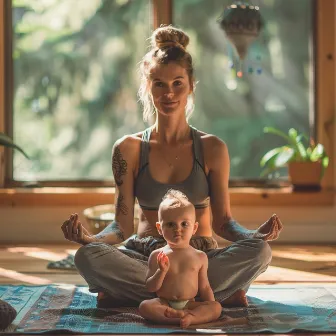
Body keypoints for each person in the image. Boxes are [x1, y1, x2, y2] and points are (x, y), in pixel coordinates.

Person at [61, 25, 283, 309]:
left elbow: (223, 222)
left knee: (260, 252)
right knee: (87, 256)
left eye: (177, 83)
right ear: (147, 85)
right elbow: (122, 225)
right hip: (145, 258)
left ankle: (141, 295)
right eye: (159, 84)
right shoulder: (128, 149)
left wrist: (253, 236)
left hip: (198, 258)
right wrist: (90, 239)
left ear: (191, 85)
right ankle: (207, 295)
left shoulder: (213, 148)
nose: (169, 93)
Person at [138, 189, 222, 329]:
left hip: (190, 304)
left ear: (194, 228)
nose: (178, 229)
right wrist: (161, 271)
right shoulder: (157, 255)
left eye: (184, 224)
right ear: (160, 228)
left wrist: (210, 306)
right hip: (164, 303)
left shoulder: (200, 256)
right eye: (171, 224)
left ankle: (191, 317)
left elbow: (205, 287)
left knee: (216, 307)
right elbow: (150, 287)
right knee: (144, 306)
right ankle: (177, 320)